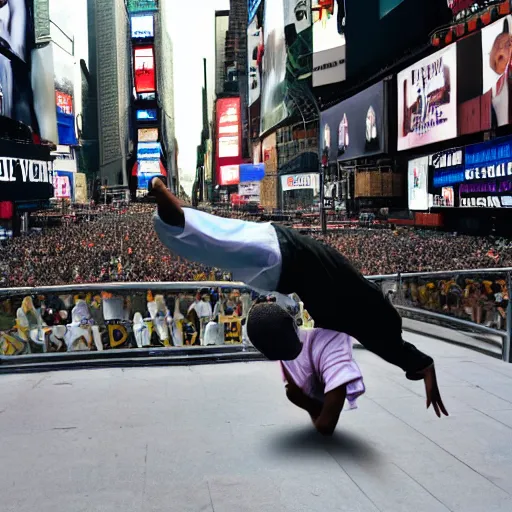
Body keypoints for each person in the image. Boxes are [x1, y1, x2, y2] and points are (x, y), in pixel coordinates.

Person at [168, 178, 449, 417]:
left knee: (218, 241)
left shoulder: (351, 298)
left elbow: (385, 345)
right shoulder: (346, 311)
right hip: (281, 256)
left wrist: (421, 365)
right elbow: (383, 346)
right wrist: (420, 365)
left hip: (281, 249)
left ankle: (175, 213)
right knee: (217, 244)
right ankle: (174, 213)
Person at [249, 299, 365, 436]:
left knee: (295, 393)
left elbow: (326, 425)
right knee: (292, 392)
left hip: (328, 357)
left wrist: (309, 404)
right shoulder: (289, 353)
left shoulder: (331, 344)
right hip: (317, 370)